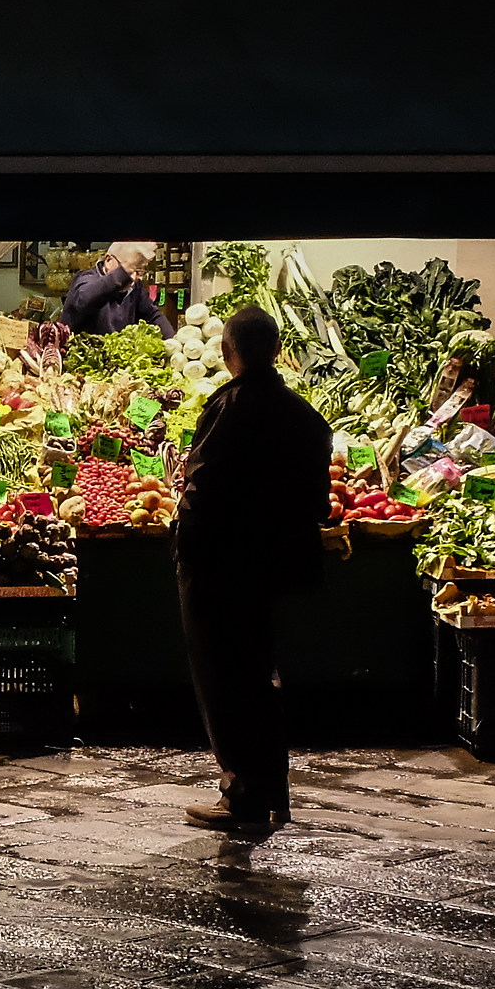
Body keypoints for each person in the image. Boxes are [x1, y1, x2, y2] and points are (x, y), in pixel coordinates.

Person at [172, 306, 333, 831]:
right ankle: (272, 795)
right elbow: (318, 504)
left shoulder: (230, 407)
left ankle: (241, 795)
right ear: (278, 352)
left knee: (223, 678)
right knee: (261, 678)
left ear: (227, 352)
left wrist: (184, 544)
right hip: (274, 568)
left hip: (220, 567)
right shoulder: (307, 417)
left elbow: (202, 487)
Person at [59, 242, 174, 338]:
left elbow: (152, 315)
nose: (134, 278)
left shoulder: (134, 287)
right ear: (108, 260)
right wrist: (124, 273)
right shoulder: (84, 279)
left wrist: (174, 341)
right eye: (130, 271)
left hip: (114, 361)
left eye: (139, 272)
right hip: (80, 359)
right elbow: (87, 298)